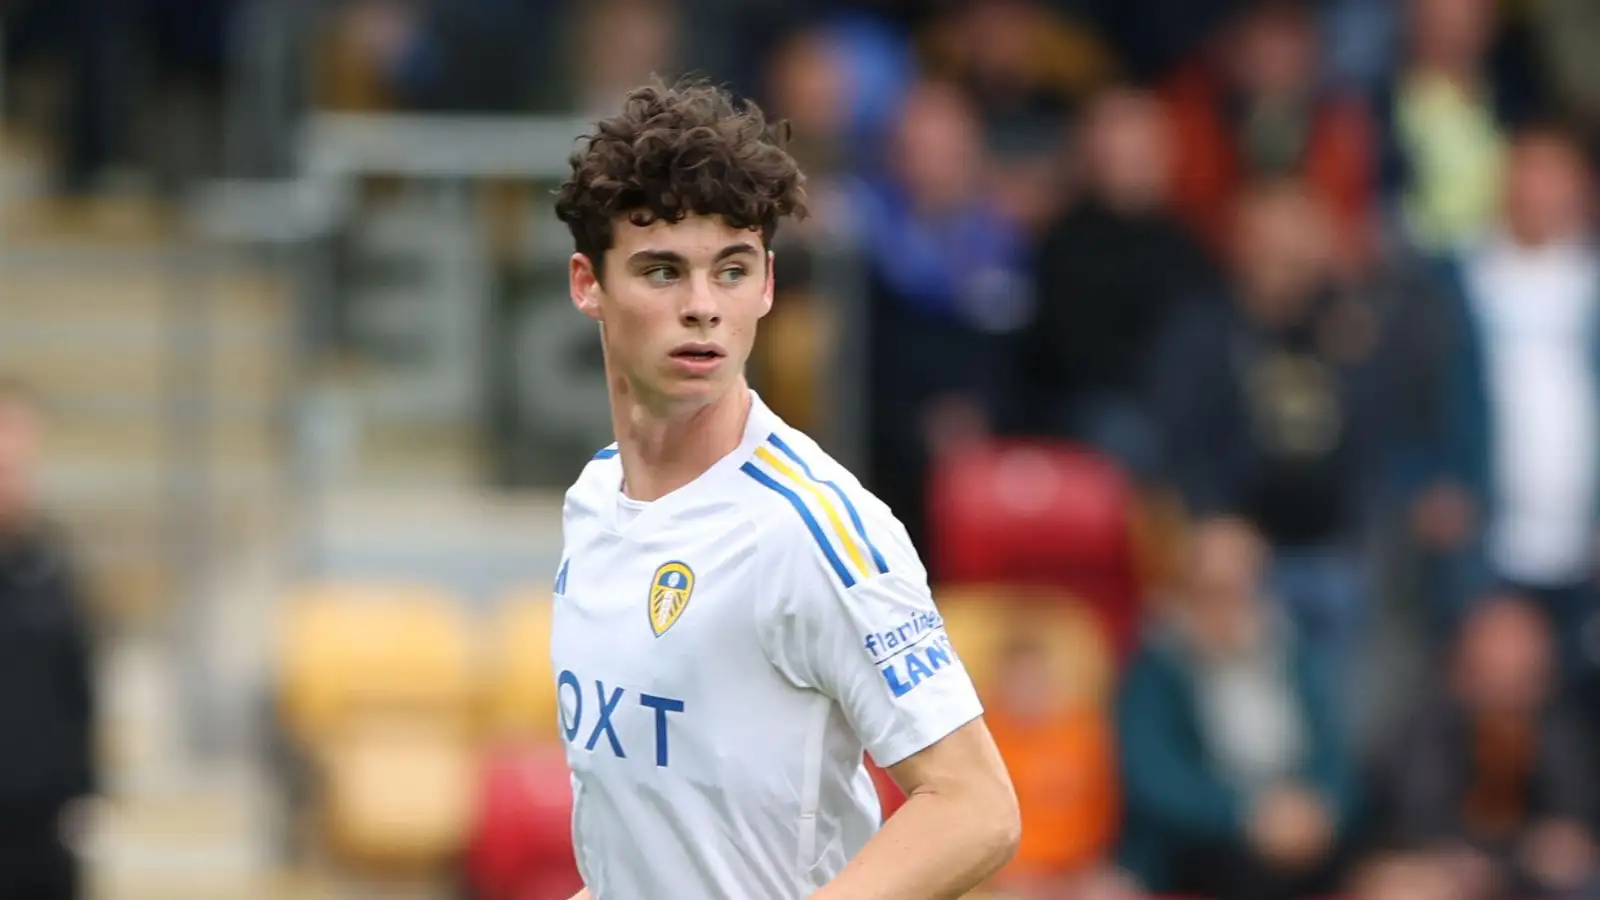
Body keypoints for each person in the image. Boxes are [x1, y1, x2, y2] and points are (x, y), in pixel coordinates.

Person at [547, 79, 1020, 899]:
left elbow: (977, 806)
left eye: (730, 271)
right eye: (663, 272)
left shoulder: (816, 528)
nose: (703, 308)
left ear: (766, 284)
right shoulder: (594, 503)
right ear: (588, 284)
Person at [0, 380, 98, 900]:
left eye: (21, 464)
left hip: (41, 824)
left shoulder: (52, 565)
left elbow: (78, 684)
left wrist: (85, 793)